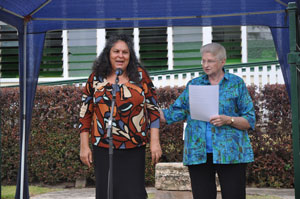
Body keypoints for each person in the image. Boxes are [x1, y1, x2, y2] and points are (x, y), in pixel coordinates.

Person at [160, 43, 255, 199]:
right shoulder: (195, 84)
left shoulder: (236, 84)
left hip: (230, 153)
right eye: (203, 61)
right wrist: (152, 111)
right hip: (198, 153)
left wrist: (228, 120)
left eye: (210, 61)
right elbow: (174, 113)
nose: (205, 65)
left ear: (222, 61)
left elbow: (250, 119)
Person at [79, 34, 162, 199]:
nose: (120, 56)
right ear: (108, 54)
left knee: (134, 193)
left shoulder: (139, 76)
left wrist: (155, 141)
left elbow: (153, 109)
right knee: (107, 192)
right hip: (103, 146)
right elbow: (85, 113)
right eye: (116, 51)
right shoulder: (96, 77)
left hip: (134, 146)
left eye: (125, 52)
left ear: (130, 56)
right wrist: (84, 146)